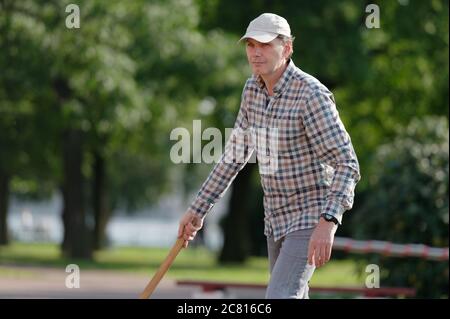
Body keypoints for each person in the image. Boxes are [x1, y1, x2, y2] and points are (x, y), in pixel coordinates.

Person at [178, 13, 361, 299]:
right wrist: (198, 209)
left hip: (310, 215)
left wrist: (328, 221)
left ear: (287, 48)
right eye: (250, 45)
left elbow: (347, 163)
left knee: (279, 296)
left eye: (264, 44)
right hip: (275, 218)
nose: (255, 52)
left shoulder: (311, 94)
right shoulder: (251, 90)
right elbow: (234, 155)